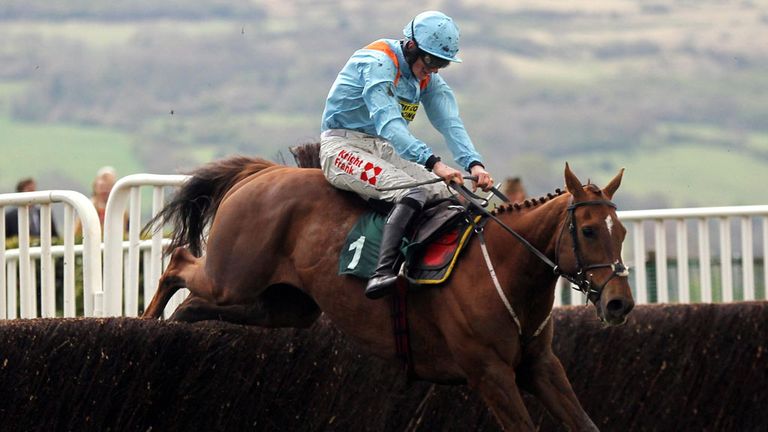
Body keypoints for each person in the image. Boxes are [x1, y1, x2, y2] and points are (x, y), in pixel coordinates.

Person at [319, 11, 494, 299]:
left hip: (382, 150)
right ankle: (382, 272)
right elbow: (390, 125)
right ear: (411, 46)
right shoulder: (377, 64)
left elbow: (450, 123)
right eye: (431, 61)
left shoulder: (426, 77)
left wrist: (474, 164)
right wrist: (434, 163)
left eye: (442, 63)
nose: (434, 70)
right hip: (342, 148)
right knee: (412, 192)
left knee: (452, 193)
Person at [75, 166, 120, 236]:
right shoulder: (87, 207)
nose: (105, 190)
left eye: (109, 186)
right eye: (102, 186)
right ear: (95, 186)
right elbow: (76, 234)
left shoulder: (119, 209)